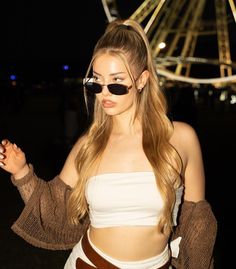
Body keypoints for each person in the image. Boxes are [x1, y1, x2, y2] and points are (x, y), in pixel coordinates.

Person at [0, 19, 217, 269]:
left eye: (115, 82)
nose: (104, 93)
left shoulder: (181, 138)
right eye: (96, 82)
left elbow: (197, 222)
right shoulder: (88, 145)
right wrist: (21, 171)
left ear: (142, 80)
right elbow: (54, 212)